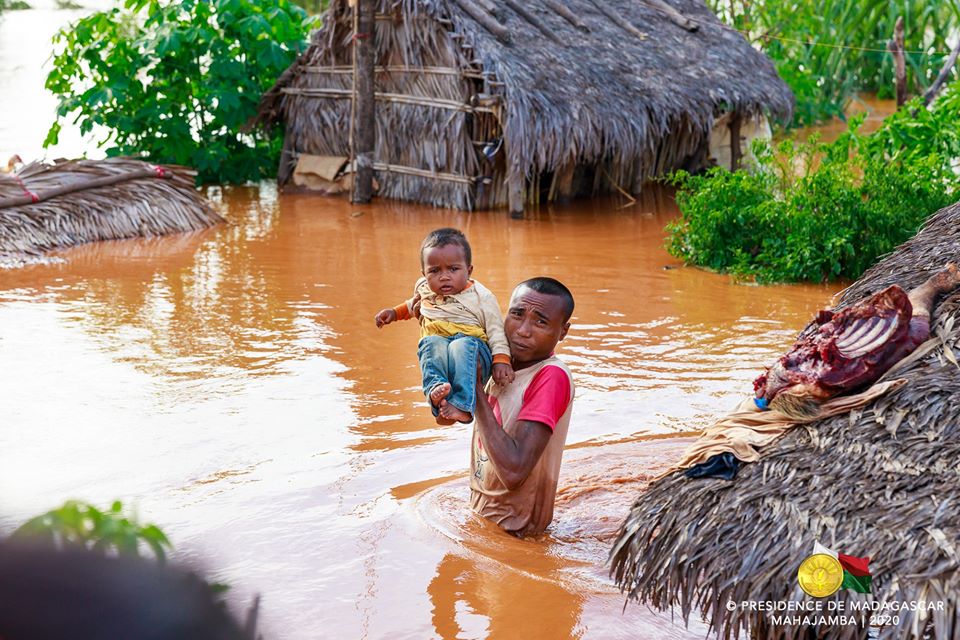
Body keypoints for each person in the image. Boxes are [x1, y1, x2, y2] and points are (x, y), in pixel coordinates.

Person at [441, 277, 575, 538]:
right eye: (516, 314)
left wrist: (476, 392)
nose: (523, 330)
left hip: (518, 535)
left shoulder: (550, 376)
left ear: (563, 332)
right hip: (482, 522)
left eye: (541, 321)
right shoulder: (498, 363)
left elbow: (514, 472)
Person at [375, 228, 515, 425]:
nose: (444, 276)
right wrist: (394, 313)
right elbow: (412, 304)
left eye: (453, 269)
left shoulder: (481, 297)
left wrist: (501, 360)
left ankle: (463, 406)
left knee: (460, 345)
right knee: (430, 342)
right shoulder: (424, 288)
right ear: (424, 274)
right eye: (435, 271)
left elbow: (495, 331)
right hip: (441, 347)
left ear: (469, 270)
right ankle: (437, 395)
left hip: (473, 349)